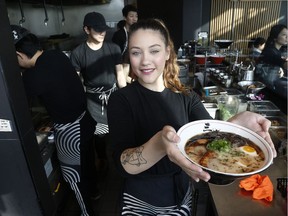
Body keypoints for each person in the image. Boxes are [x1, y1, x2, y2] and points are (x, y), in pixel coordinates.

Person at [107, 19, 277, 215]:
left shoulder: (187, 97)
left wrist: (237, 124)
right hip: (140, 202)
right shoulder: (122, 100)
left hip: (181, 198)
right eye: (136, 52)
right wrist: (160, 144)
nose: (145, 60)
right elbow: (122, 164)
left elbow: (211, 133)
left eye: (154, 51)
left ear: (167, 53)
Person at [11, 25, 99, 216]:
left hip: (70, 132)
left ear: (19, 55)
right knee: (88, 168)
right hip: (85, 121)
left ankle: (87, 213)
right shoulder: (56, 55)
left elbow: (17, 106)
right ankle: (95, 195)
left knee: (75, 179)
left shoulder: (33, 76)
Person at [70, 12, 127, 172]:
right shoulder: (78, 53)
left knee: (119, 132)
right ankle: (102, 159)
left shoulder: (113, 48)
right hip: (93, 100)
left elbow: (120, 76)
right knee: (99, 136)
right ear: (86, 30)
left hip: (114, 96)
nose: (103, 33)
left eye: (104, 29)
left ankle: (121, 160)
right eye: (97, 30)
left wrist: (127, 97)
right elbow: (76, 83)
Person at [112, 4, 138, 83]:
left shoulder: (138, 33)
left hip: (136, 67)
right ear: (125, 17)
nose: (134, 19)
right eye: (131, 16)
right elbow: (116, 56)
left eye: (136, 16)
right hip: (122, 68)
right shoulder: (119, 35)